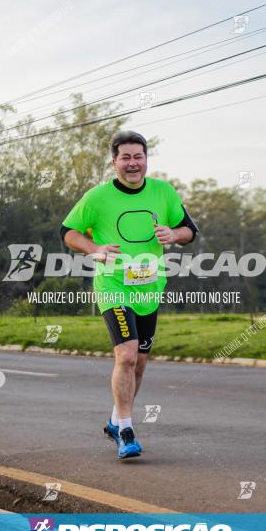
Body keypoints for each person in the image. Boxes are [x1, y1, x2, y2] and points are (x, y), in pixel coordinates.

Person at [60, 131, 198, 459]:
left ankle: (113, 419)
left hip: (150, 288)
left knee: (139, 364)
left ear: (146, 160)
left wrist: (174, 234)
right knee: (126, 355)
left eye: (138, 157)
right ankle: (125, 431)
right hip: (113, 286)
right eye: (126, 157)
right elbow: (67, 232)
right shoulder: (97, 197)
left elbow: (191, 231)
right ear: (114, 162)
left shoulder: (164, 192)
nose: (133, 163)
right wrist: (95, 249)